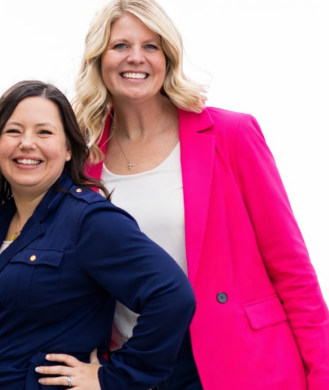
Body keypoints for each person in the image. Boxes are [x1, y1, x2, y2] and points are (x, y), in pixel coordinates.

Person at [72, 0, 329, 389]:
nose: (136, 58)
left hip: (241, 363)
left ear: (168, 58)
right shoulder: (82, 161)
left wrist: (323, 376)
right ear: (98, 58)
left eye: (151, 46)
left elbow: (293, 270)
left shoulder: (231, 135)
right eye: (120, 45)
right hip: (136, 368)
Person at [0, 80, 195, 390]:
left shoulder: (89, 219)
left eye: (44, 132)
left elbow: (172, 296)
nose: (27, 143)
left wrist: (115, 380)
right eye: (14, 131)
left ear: (69, 149)